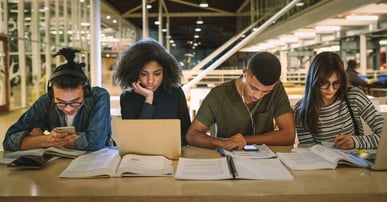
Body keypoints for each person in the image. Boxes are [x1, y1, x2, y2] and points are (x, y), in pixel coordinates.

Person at [3, 48, 112, 151]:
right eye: (61, 103)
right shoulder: (46, 101)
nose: (68, 109)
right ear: (51, 93)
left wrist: (37, 140)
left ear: (86, 91)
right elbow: (9, 141)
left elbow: (96, 143)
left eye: (75, 102)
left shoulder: (99, 97)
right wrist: (46, 140)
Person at [186, 52, 295, 151]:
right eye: (254, 88)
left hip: (265, 159)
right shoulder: (219, 95)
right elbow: (192, 135)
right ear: (245, 73)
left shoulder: (277, 90)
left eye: (266, 92)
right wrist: (222, 142)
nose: (258, 96)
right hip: (228, 157)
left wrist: (245, 140)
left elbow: (289, 136)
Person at [294, 52, 384, 149]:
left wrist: (356, 142)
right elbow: (308, 150)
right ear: (313, 81)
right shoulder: (302, 110)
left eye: (336, 83)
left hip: (354, 162)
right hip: (322, 163)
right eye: (324, 83)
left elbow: (385, 136)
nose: (331, 89)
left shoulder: (354, 97)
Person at [114, 38, 191, 145]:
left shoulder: (175, 93)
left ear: (165, 72)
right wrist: (148, 99)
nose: (150, 80)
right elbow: (136, 138)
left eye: (157, 74)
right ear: (134, 73)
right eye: (144, 74)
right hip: (140, 156)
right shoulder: (127, 98)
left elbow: (187, 133)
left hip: (171, 153)